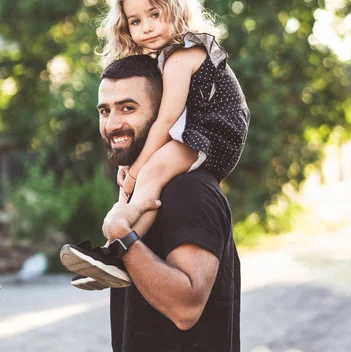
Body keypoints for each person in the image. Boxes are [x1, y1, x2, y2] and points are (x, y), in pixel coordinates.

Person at [61, 0, 249, 284]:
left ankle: (117, 253)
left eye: (154, 14)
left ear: (175, 9)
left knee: (149, 174)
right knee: (142, 178)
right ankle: (112, 257)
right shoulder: (166, 57)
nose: (146, 27)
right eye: (135, 21)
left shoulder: (182, 54)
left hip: (217, 133)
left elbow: (167, 118)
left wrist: (137, 169)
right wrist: (134, 168)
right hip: (200, 131)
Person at [63, 55, 242, 351]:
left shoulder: (189, 190)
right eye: (104, 111)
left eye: (128, 108)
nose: (112, 123)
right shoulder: (145, 186)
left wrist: (122, 238)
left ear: (163, 114)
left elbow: (186, 309)